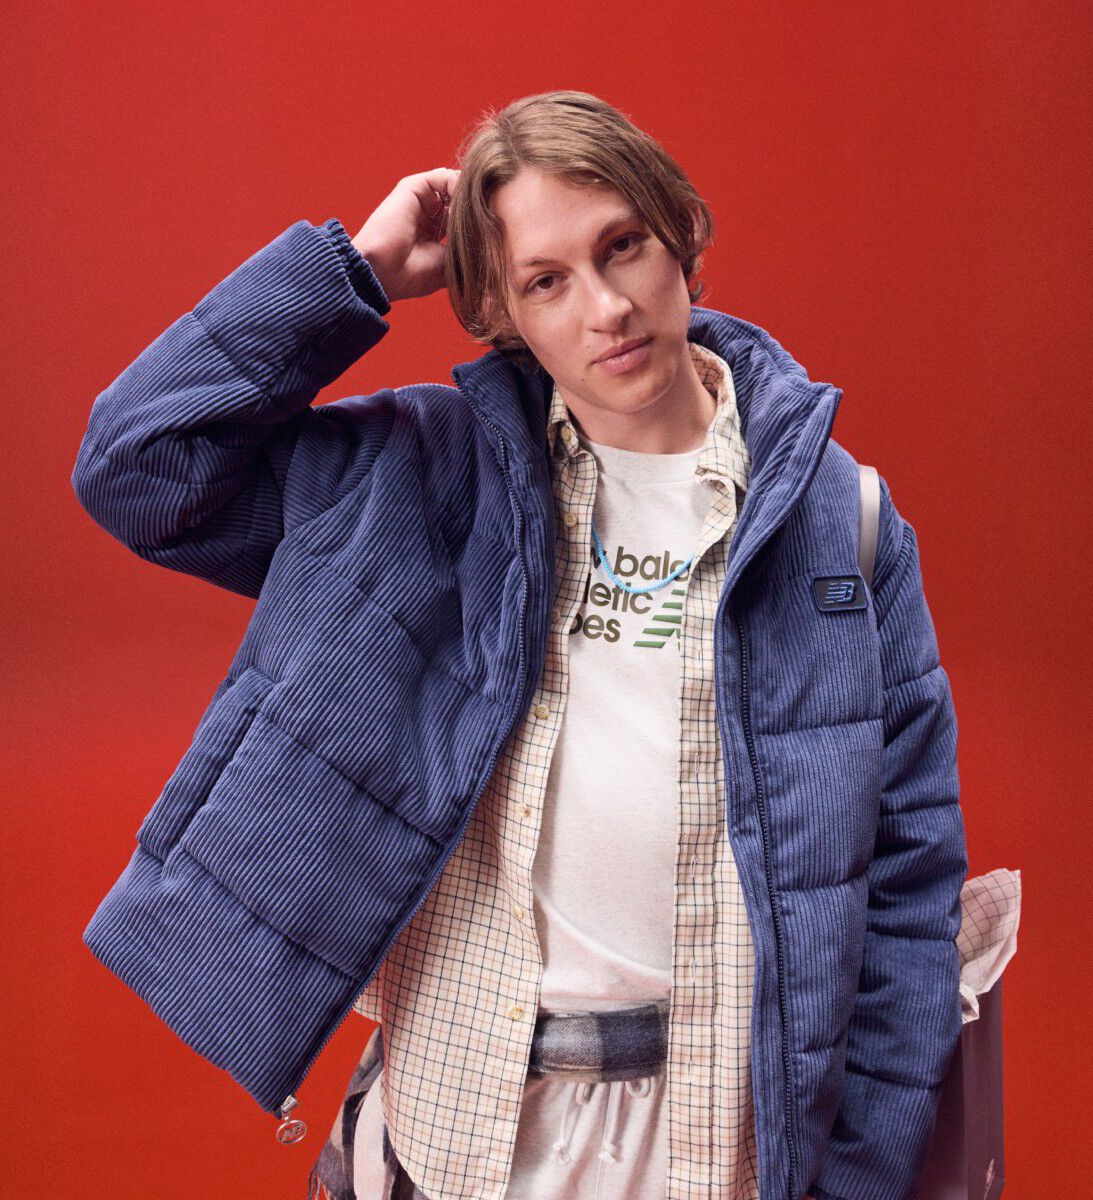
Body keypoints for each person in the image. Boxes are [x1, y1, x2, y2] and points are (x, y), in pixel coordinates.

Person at [73, 91, 967, 1200]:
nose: (607, 308)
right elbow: (141, 466)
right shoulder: (422, 478)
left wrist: (859, 1177)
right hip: (458, 1126)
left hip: (710, 1142)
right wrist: (354, 274)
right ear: (502, 313)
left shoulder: (845, 525)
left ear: (682, 231)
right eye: (547, 281)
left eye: (622, 246)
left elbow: (910, 883)